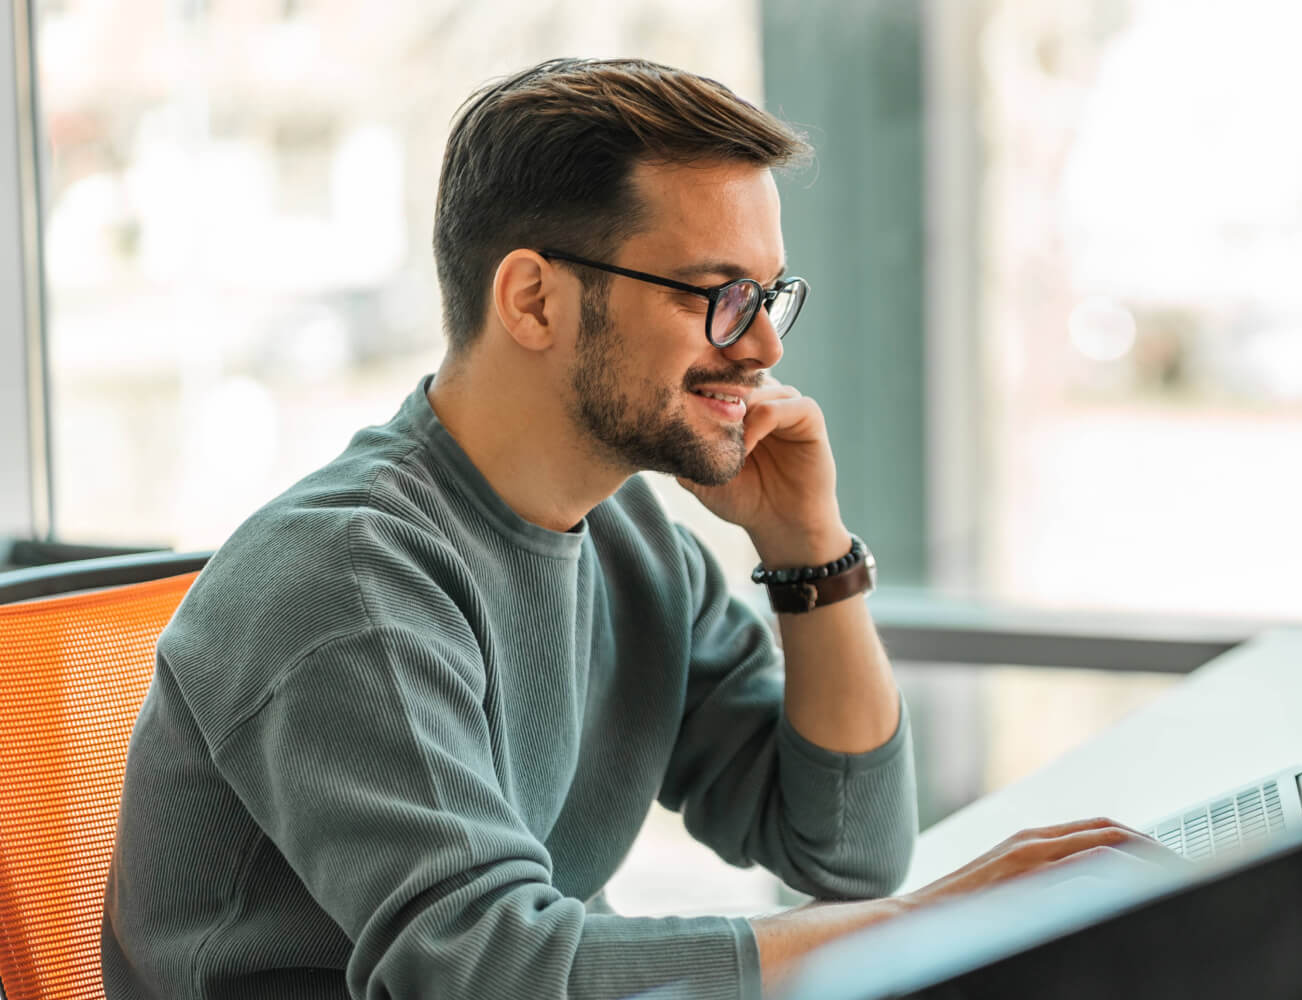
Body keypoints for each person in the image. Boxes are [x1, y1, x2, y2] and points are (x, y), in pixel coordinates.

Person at [100, 58, 1163, 1000]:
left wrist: (810, 555)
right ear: (531, 301)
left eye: (767, 298)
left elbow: (845, 853)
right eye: (715, 295)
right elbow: (488, 973)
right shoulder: (348, 580)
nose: (758, 352)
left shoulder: (628, 541)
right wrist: (944, 915)